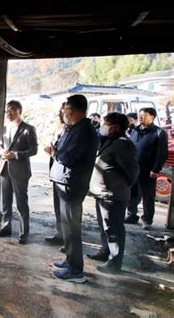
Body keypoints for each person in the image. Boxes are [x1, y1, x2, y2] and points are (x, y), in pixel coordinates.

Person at [51, 94, 99, 283]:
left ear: (75, 110)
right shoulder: (74, 129)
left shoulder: (84, 131)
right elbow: (62, 149)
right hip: (65, 183)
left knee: (72, 228)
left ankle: (76, 270)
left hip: (73, 184)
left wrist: (55, 153)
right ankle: (70, 260)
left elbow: (68, 157)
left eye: (67, 109)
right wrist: (58, 152)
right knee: (67, 226)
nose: (64, 112)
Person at [88, 113, 139, 273]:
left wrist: (121, 186)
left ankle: (115, 262)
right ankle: (105, 252)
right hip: (102, 193)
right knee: (105, 226)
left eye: (106, 124)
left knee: (113, 229)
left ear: (115, 127)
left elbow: (133, 171)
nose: (103, 126)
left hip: (113, 194)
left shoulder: (123, 145)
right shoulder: (112, 141)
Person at [0, 100, 38, 244]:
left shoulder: (28, 129)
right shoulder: (4, 128)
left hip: (20, 171)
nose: (9, 113)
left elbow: (34, 150)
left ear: (20, 111)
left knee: (21, 202)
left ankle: (24, 232)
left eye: (12, 110)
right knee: (5, 201)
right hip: (5, 168)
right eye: (7, 111)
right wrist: (1, 153)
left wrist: (16, 155)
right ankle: (5, 227)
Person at [125, 108, 168, 230]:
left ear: (152, 117)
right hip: (133, 169)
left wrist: (156, 169)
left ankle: (147, 219)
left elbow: (162, 153)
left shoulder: (158, 133)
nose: (140, 117)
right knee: (132, 193)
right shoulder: (135, 130)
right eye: (140, 115)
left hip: (148, 169)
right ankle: (132, 214)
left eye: (144, 115)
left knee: (148, 195)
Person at [44, 102, 67, 246]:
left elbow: (69, 155)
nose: (61, 115)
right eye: (60, 112)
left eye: (64, 112)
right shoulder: (64, 130)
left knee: (67, 211)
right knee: (58, 207)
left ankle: (67, 240)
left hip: (67, 177)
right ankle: (61, 234)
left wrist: (55, 153)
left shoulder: (77, 131)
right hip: (57, 174)